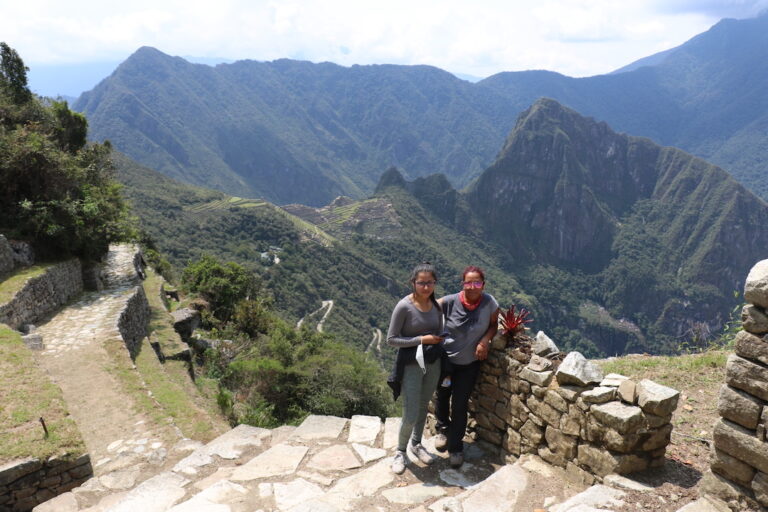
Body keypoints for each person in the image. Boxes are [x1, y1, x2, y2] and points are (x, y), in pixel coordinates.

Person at [434, 265, 499, 468]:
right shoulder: (450, 301)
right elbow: (427, 310)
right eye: (468, 283)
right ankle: (442, 429)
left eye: (477, 282)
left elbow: (494, 325)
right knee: (443, 395)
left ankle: (456, 448)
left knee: (460, 404)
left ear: (483, 285)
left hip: (469, 364)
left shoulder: (489, 303)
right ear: (462, 284)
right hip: (446, 360)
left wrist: (484, 341)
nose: (472, 287)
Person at [386, 262, 444, 474]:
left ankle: (416, 444)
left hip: (432, 363)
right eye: (421, 283)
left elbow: (438, 332)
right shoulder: (404, 306)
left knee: (422, 406)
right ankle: (400, 451)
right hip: (411, 364)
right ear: (413, 283)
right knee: (410, 413)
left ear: (435, 283)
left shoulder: (436, 305)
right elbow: (391, 340)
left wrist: (437, 339)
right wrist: (422, 339)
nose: (426, 287)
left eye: (430, 283)